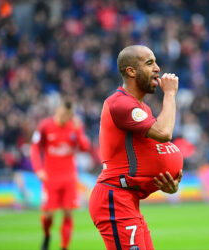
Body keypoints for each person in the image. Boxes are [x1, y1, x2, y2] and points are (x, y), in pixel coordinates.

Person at [89, 45, 183, 250]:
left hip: (128, 199)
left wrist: (162, 183)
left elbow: (145, 159)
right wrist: (170, 94)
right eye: (150, 63)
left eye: (156, 62)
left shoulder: (142, 108)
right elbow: (164, 133)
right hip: (114, 198)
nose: (157, 68)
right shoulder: (119, 104)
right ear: (131, 71)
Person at [30, 98, 90, 250]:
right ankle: (47, 234)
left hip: (69, 177)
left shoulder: (74, 127)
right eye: (64, 114)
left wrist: (78, 130)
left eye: (68, 115)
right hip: (50, 177)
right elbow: (35, 148)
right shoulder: (45, 126)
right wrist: (38, 169)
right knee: (48, 215)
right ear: (58, 111)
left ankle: (64, 246)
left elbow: (84, 147)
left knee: (68, 213)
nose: (65, 118)